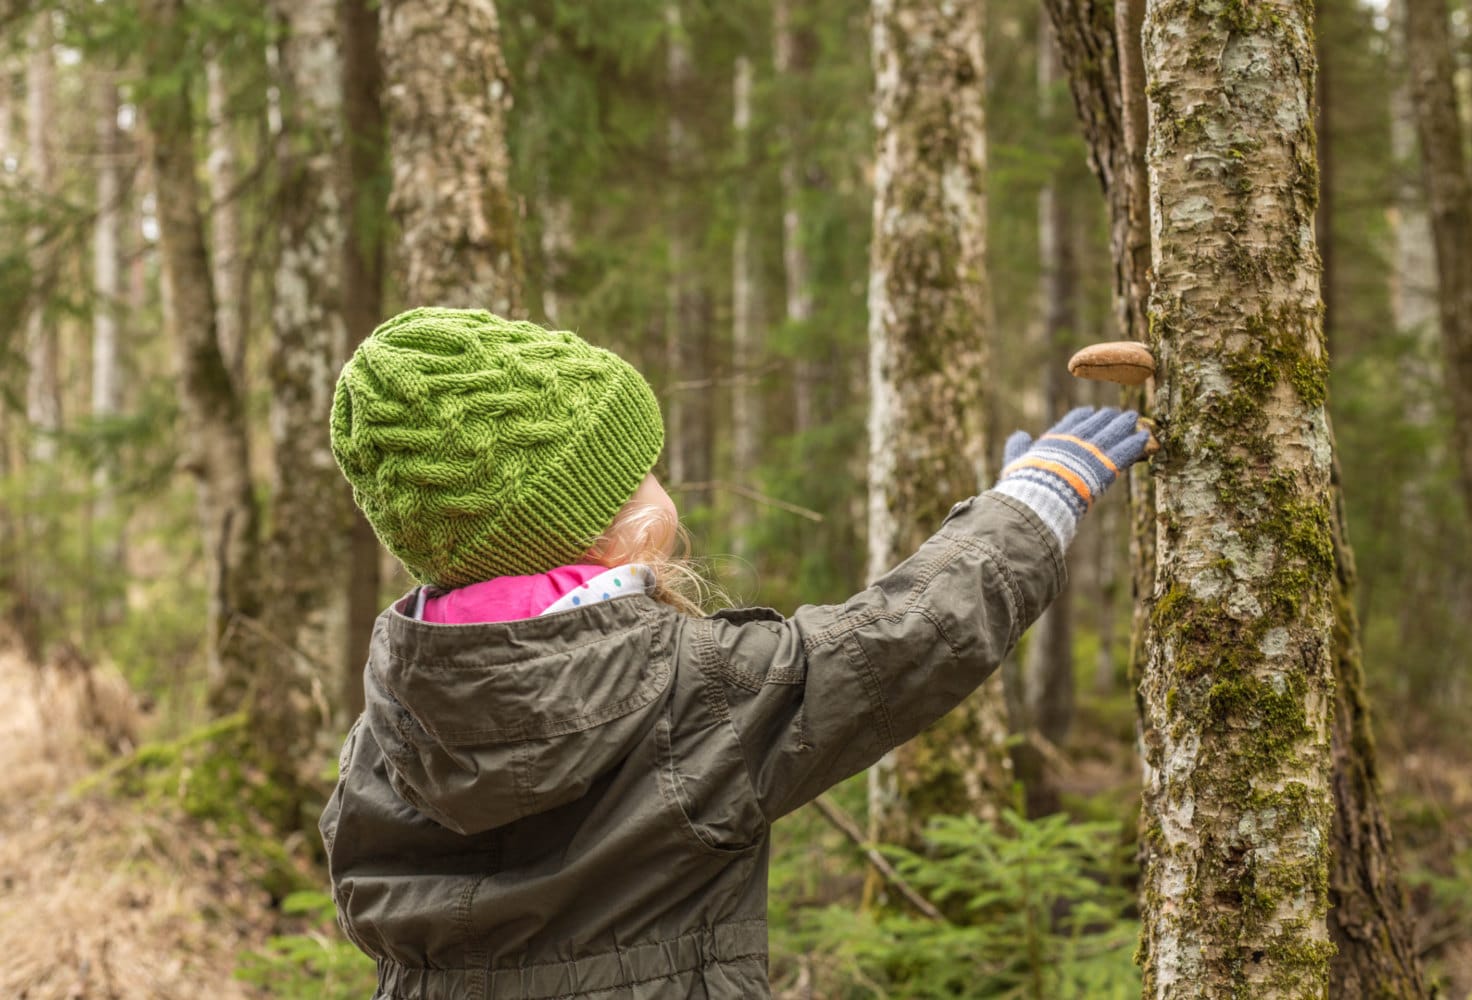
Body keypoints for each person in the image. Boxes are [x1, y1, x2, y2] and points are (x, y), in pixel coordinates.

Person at [320, 306, 1151, 1000]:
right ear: (625, 528)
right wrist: (1029, 506)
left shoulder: (387, 734)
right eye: (641, 471)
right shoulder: (694, 693)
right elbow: (888, 647)